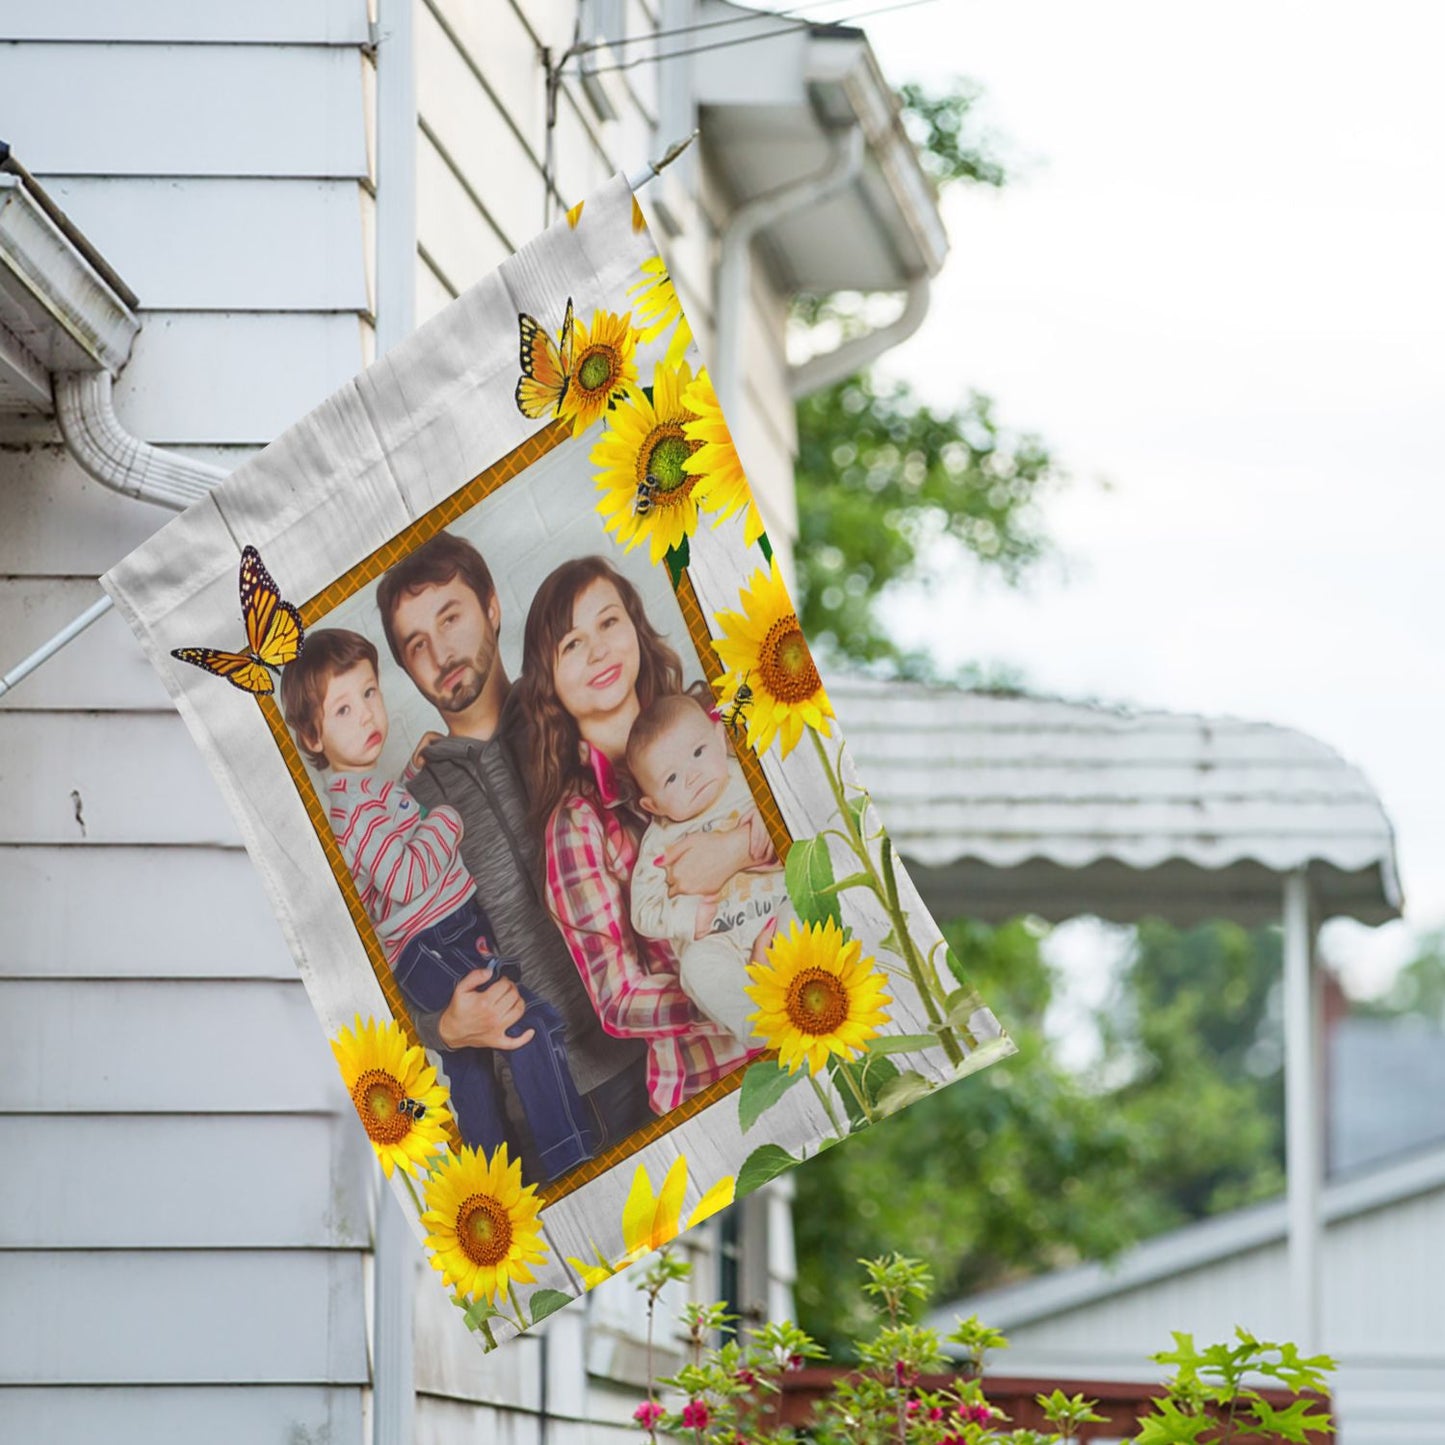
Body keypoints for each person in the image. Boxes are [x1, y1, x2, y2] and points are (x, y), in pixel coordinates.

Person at [279, 627, 598, 1181]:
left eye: (370, 694)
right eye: (343, 710)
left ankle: (492, 1183)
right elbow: (403, 875)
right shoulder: (349, 812)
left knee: (471, 1074)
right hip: (436, 941)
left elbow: (385, 830)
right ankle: (575, 1159)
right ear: (312, 736)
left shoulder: (363, 793)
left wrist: (411, 778)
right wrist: (445, 822)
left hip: (436, 939)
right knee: (527, 1023)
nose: (368, 716)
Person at [376, 532, 653, 1151]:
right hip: (541, 1108)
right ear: (405, 669)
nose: (441, 652)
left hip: (659, 1056)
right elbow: (383, 971)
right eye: (416, 645)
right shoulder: (405, 811)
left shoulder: (581, 706)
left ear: (493, 608)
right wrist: (443, 1027)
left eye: (452, 618)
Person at [514, 555, 767, 1116]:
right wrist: (739, 981)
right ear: (549, 684)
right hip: (713, 1082)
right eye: (571, 645)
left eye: (608, 623)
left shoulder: (719, 715)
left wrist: (734, 851)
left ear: (635, 626)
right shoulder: (575, 827)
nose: (599, 650)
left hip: (821, 987)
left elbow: (810, 815)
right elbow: (618, 999)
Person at [626, 692, 786, 1042]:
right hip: (721, 941)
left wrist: (769, 815)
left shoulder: (750, 778)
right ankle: (761, 1026)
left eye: (698, 753)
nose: (693, 776)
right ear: (652, 804)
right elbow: (643, 910)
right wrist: (687, 916)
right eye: (671, 779)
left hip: (780, 912)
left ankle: (807, 986)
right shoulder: (659, 842)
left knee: (807, 904)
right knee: (697, 967)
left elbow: (797, 806)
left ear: (719, 737)